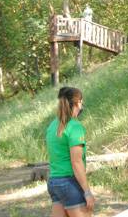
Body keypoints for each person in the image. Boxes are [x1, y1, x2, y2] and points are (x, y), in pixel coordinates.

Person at [46, 87, 95, 216]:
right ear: (78, 103)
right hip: (69, 184)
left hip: (54, 183)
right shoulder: (75, 127)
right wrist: (87, 192)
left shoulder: (52, 126)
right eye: (81, 101)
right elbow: (76, 162)